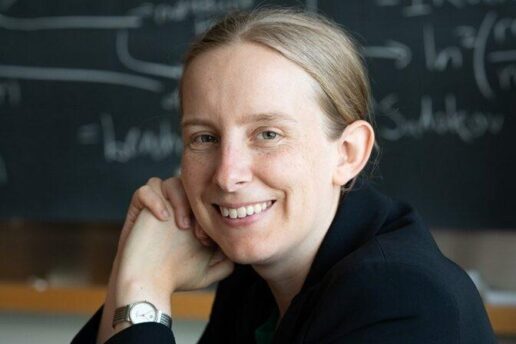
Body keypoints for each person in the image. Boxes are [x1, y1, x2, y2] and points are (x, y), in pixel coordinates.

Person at [73, 8, 495, 344]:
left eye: (268, 134)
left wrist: (144, 289)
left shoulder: (404, 299)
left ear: (348, 153)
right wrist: (130, 267)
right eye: (204, 137)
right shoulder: (257, 275)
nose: (227, 174)